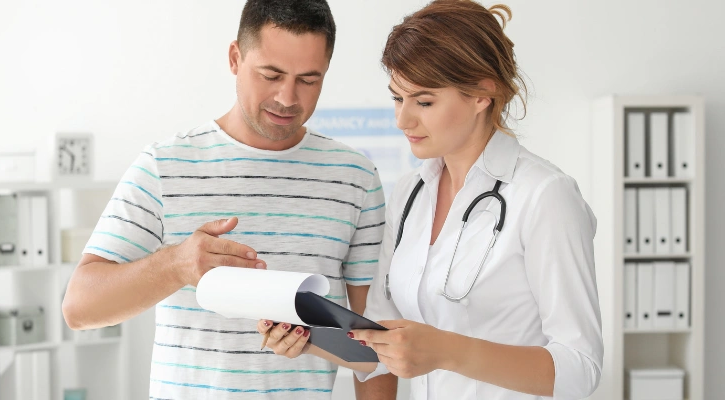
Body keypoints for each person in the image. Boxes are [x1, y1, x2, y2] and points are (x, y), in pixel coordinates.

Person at [260, 1, 603, 399]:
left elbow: (581, 368)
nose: (402, 120)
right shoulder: (411, 193)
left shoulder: (545, 196)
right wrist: (309, 338)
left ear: (481, 93)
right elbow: (380, 343)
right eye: (397, 98)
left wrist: (448, 351)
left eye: (423, 102)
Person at [62, 0, 398, 397]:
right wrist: (177, 265)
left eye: (309, 80)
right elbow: (79, 308)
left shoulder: (354, 176)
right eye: (271, 74)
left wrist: (314, 338)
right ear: (235, 58)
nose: (288, 98)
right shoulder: (164, 166)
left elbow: (377, 352)